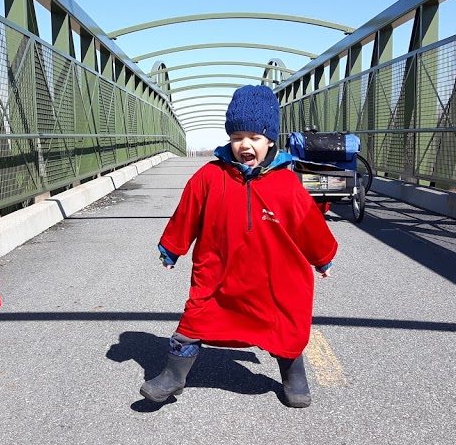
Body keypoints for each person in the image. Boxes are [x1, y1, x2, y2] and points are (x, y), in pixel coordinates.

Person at [143, 85, 337, 408]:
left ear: (271, 139)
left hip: (274, 278)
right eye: (236, 137)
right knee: (197, 315)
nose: (244, 145)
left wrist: (323, 257)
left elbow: (310, 226)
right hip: (219, 273)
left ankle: (293, 373)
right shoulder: (209, 177)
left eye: (254, 137)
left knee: (285, 321)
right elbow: (187, 212)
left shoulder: (287, 184)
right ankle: (173, 376)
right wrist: (172, 247)